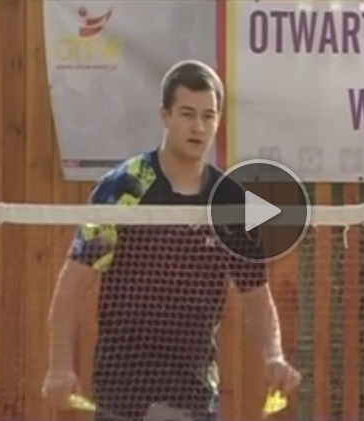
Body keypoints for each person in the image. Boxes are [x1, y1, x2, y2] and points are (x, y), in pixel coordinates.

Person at [41, 59, 301, 421]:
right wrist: (59, 366)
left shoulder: (230, 202)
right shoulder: (124, 187)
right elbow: (71, 287)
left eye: (208, 116)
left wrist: (274, 355)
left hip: (194, 393)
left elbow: (257, 298)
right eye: (187, 114)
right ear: (165, 116)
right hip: (122, 390)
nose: (198, 127)